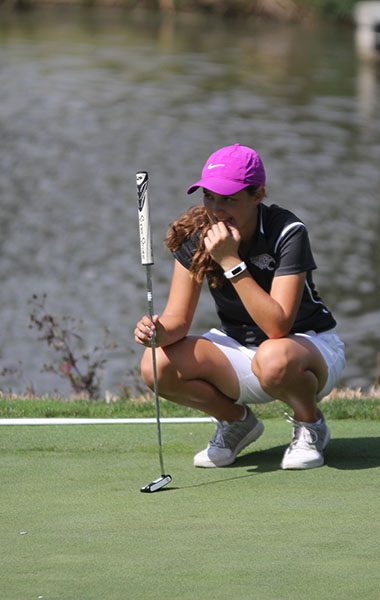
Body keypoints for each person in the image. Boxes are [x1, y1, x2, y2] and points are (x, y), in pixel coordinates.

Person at [133, 143, 345, 470]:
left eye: (229, 199)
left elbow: (277, 327)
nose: (216, 209)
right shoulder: (196, 235)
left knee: (273, 356)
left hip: (307, 348)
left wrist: (230, 261)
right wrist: (158, 332)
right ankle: (236, 422)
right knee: (154, 365)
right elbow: (178, 320)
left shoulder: (287, 231)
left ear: (257, 195)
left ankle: (310, 424)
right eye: (209, 197)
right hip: (240, 348)